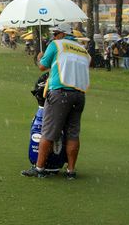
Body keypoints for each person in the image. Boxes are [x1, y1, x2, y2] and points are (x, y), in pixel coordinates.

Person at [22, 23, 90, 180]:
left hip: (60, 92)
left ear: (62, 34)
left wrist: (40, 57)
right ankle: (71, 171)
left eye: (56, 33)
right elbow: (88, 64)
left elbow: (42, 67)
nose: (53, 36)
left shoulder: (56, 45)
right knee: (73, 134)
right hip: (79, 94)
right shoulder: (81, 48)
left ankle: (39, 168)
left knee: (48, 131)